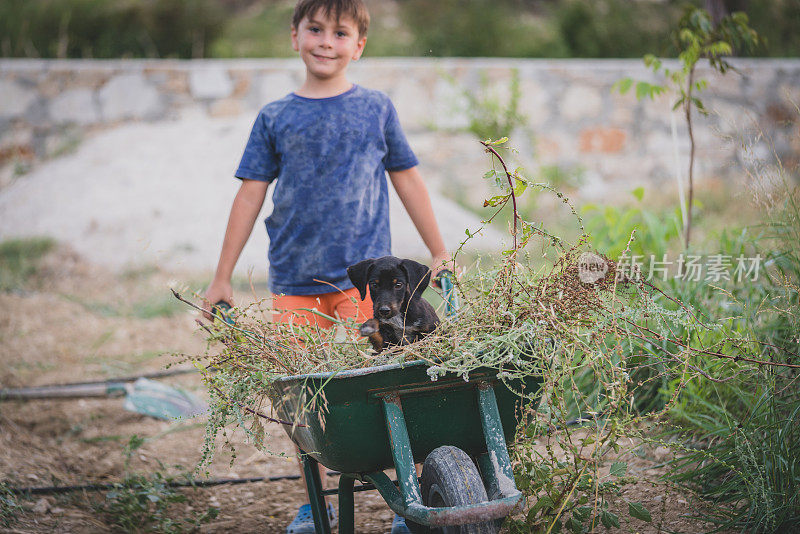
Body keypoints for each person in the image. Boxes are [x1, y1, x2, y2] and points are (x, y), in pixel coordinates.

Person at [203, 0, 450, 532]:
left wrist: (439, 249)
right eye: (315, 29)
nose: (326, 41)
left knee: (383, 388)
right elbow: (249, 195)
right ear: (295, 35)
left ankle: (407, 500)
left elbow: (407, 177)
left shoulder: (376, 108)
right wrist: (222, 276)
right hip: (294, 280)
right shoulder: (276, 116)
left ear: (359, 45)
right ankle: (317, 504)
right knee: (305, 400)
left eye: (340, 33)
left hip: (364, 289)